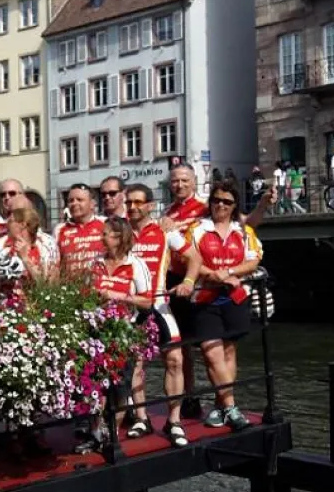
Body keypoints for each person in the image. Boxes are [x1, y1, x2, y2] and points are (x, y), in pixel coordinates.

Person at [175, 179, 262, 432]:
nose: (220, 205)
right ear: (209, 203)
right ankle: (231, 407)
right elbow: (188, 257)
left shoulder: (243, 231)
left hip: (234, 296)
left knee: (228, 353)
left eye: (227, 202)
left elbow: (253, 260)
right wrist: (212, 274)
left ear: (234, 206)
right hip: (204, 297)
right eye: (216, 200)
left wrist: (229, 271)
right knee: (211, 352)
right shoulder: (197, 228)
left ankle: (219, 405)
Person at [124, 185, 200, 447]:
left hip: (159, 303)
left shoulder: (164, 230)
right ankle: (141, 418)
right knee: (135, 365)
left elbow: (194, 257)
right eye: (129, 203)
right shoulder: (119, 232)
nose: (132, 207)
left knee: (175, 360)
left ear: (149, 205)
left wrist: (188, 281)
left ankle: (174, 420)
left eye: (138, 202)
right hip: (131, 307)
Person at [84, 218, 154, 453]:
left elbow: (147, 301)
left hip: (124, 331)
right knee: (96, 384)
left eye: (106, 234)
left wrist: (119, 296)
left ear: (119, 237)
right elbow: (86, 293)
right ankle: (97, 432)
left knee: (120, 386)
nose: (101, 238)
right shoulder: (97, 263)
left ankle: (112, 433)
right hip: (98, 330)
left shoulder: (136, 265)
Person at [0, 178, 59, 270]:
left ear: (23, 195)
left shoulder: (44, 239)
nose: (7, 197)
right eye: (2, 195)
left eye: (12, 193)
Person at [54, 183, 106, 274]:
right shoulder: (59, 229)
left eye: (79, 200)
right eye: (71, 200)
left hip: (100, 285)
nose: (74, 203)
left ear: (92, 204)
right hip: (71, 286)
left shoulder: (106, 224)